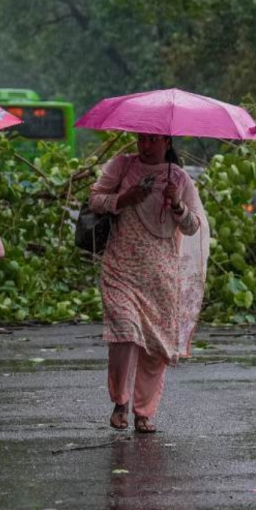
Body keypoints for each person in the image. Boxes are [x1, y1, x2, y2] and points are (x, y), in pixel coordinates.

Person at [89, 133, 210, 434]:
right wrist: (124, 198)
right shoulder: (121, 166)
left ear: (166, 142)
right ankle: (120, 402)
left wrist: (177, 204)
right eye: (141, 139)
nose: (145, 146)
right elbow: (95, 200)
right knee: (124, 334)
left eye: (152, 140)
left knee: (155, 348)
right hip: (121, 269)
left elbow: (193, 226)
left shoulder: (180, 178)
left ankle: (144, 413)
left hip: (161, 275)